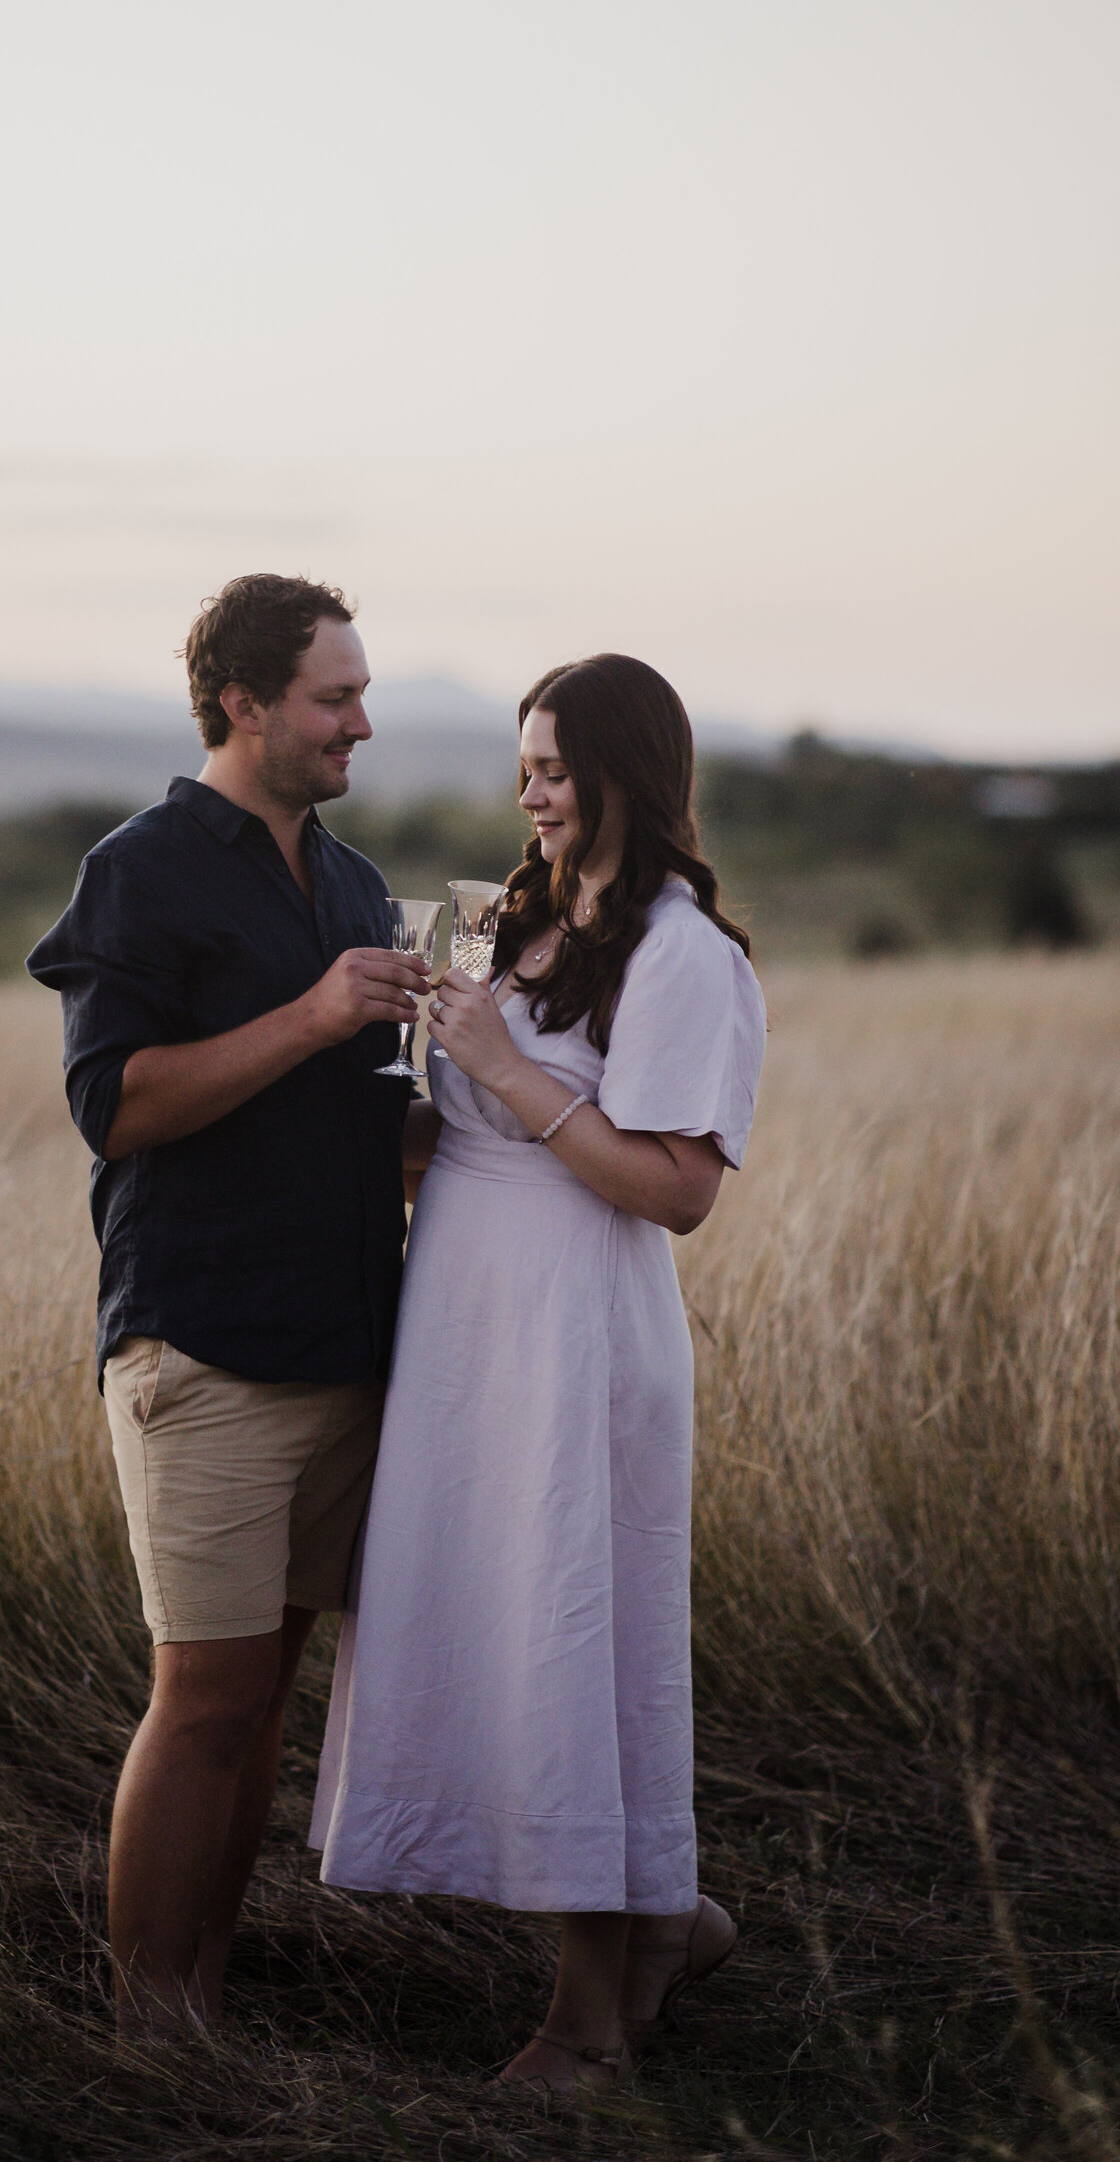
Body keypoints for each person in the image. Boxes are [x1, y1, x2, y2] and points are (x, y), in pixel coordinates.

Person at [312, 652, 767, 2098]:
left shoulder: (689, 955)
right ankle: (661, 1920)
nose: (530, 787)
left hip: (578, 1334)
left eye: (556, 765)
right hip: (468, 1336)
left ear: (628, 773)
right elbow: (460, 1139)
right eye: (526, 762)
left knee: (577, 1639)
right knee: (503, 1626)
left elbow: (677, 1188)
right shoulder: (523, 918)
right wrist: (417, 1083)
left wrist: (505, 1070)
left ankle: (590, 2016)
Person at [27, 574, 427, 2038]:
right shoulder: (137, 871)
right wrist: (320, 1012)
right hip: (203, 1346)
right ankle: (150, 2032)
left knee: (262, 1702)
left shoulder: (358, 881)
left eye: (363, 693)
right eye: (335, 697)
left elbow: (367, 1124)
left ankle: (205, 1993)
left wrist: (470, 1113)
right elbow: (114, 1106)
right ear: (244, 703)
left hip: (348, 1343)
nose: (361, 723)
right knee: (198, 1701)